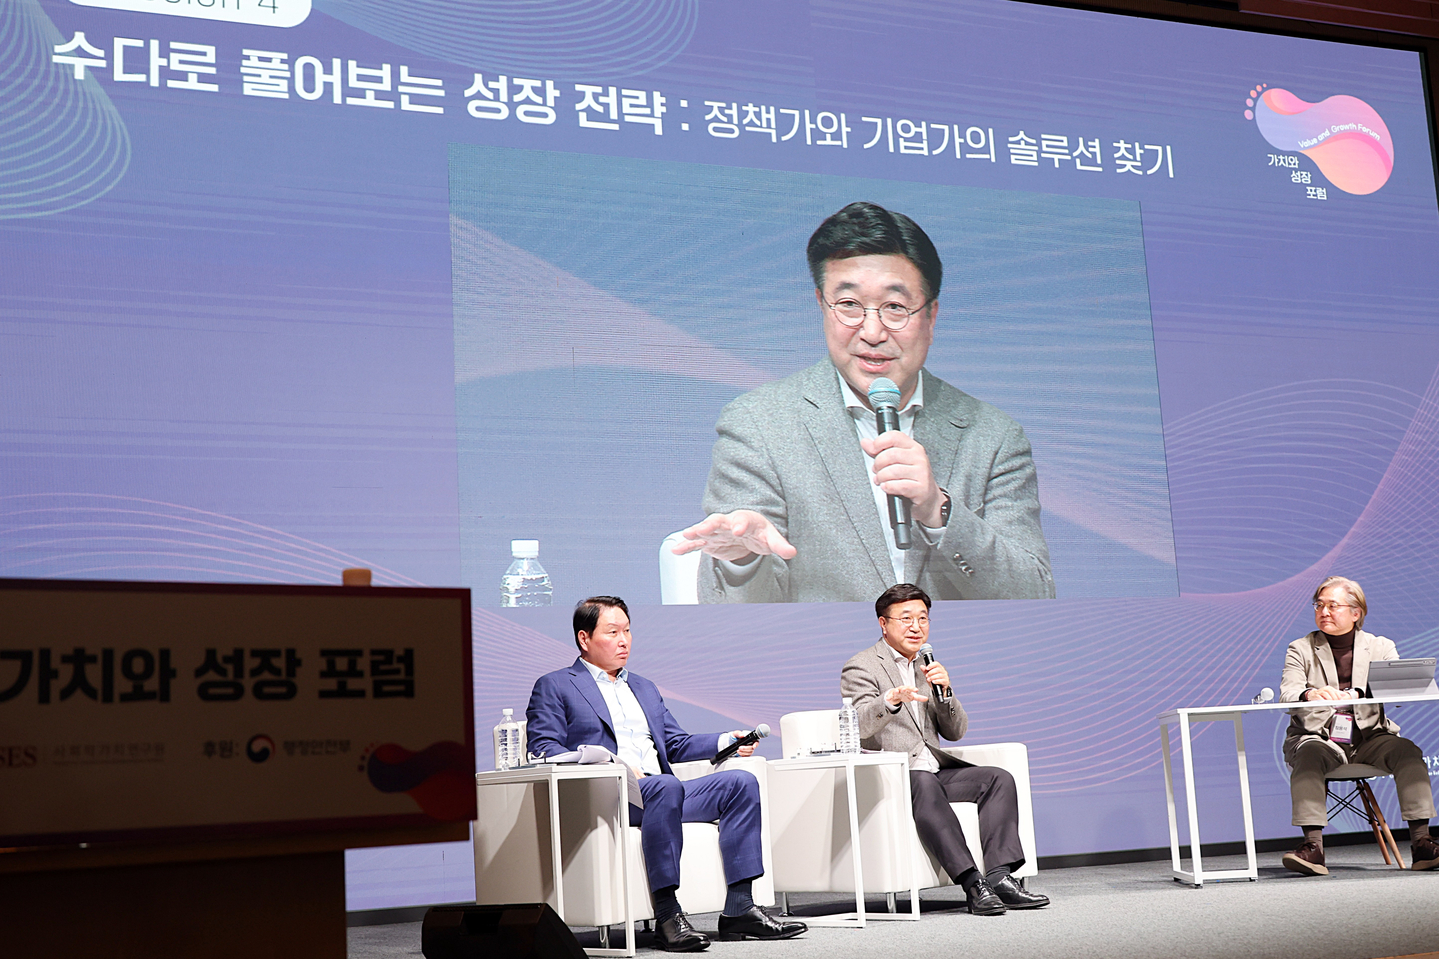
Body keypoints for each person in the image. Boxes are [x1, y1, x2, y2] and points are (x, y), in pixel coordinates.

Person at [675, 200, 1053, 604]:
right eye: (850, 306)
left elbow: (1034, 592)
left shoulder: (994, 437)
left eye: (895, 307)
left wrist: (937, 509)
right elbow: (731, 613)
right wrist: (744, 558)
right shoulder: (759, 424)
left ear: (932, 315)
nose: (872, 332)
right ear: (822, 305)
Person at [526, 596, 806, 950]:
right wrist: (606, 761)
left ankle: (740, 908)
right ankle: (668, 914)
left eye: (627, 631)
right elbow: (544, 749)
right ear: (584, 639)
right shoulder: (556, 685)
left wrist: (726, 740)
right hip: (610, 796)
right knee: (664, 786)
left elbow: (674, 744)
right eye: (612, 632)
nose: (624, 640)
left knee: (739, 782)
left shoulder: (642, 686)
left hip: (663, 793)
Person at [840, 583, 1050, 914]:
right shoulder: (863, 665)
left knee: (998, 779)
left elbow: (956, 732)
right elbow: (860, 725)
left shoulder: (929, 666)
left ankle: (999, 877)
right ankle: (972, 884)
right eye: (906, 618)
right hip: (895, 775)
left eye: (923, 618)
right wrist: (890, 700)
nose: (916, 627)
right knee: (922, 780)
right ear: (883, 623)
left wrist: (945, 691)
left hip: (935, 771)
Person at [1278, 575, 1438, 875]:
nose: (1323, 612)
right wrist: (1310, 693)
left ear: (1356, 612)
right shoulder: (1300, 647)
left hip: (1370, 739)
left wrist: (1359, 694)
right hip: (1320, 737)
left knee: (1407, 752)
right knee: (1309, 755)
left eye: (1332, 605)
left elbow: (1400, 693)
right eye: (1319, 605)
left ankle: (1422, 844)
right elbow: (1289, 693)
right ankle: (1313, 849)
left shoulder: (1380, 646)